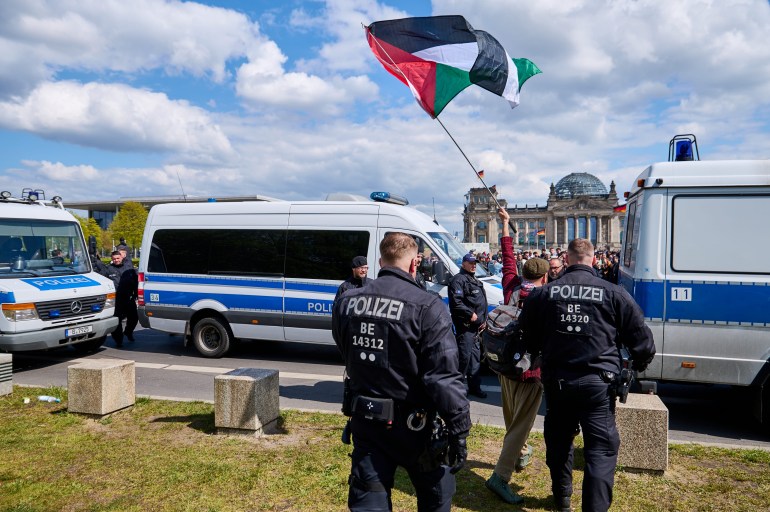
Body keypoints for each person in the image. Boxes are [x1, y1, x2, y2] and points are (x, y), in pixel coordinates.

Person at [332, 232, 471, 511]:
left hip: (367, 420)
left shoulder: (348, 301)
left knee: (369, 497)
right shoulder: (427, 306)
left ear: (381, 261)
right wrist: (459, 430)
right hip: (414, 428)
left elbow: (345, 349)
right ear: (413, 264)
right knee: (435, 495)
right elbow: (443, 377)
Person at [518, 238, 656, 512]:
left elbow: (526, 338)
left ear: (566, 260)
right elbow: (643, 341)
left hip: (558, 381)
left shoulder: (543, 294)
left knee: (558, 442)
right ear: (593, 260)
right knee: (601, 450)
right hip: (598, 385)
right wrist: (637, 364)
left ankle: (562, 498)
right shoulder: (614, 293)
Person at [486, 208, 548, 505]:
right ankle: (500, 475)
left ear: (523, 273)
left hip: (504, 362)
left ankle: (522, 453)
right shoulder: (545, 298)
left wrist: (506, 224)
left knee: (512, 418)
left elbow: (507, 255)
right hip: (529, 371)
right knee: (521, 425)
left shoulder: (511, 285)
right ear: (545, 276)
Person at [448, 252, 488, 399]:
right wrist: (470, 314)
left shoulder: (473, 279)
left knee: (475, 360)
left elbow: (480, 302)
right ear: (463, 264)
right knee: (463, 359)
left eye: (475, 263)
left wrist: (483, 320)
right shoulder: (458, 280)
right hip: (465, 327)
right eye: (470, 263)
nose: (473, 265)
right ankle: (455, 390)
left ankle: (474, 388)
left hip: (476, 328)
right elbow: (456, 302)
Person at [93, 250, 138, 347]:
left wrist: (136, 294)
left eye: (118, 258)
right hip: (116, 299)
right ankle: (119, 340)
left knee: (134, 318)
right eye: (114, 259)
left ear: (122, 258)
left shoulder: (129, 269)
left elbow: (135, 282)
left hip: (129, 297)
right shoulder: (108, 269)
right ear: (111, 259)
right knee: (117, 320)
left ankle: (128, 332)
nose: (116, 260)